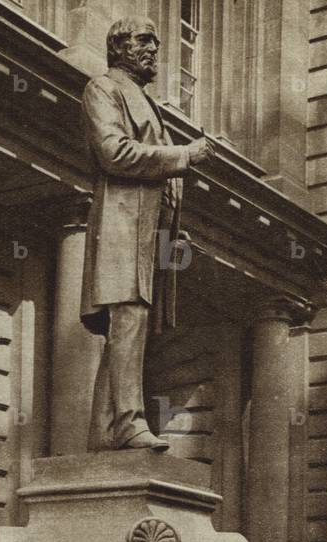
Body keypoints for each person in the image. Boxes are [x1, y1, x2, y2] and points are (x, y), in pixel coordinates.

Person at [80, 17, 216, 450]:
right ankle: (128, 422)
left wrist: (172, 227)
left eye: (155, 43)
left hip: (148, 233)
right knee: (128, 320)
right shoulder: (103, 88)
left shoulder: (144, 99)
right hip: (122, 228)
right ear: (117, 47)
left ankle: (104, 433)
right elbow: (114, 152)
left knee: (129, 329)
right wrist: (185, 154)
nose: (153, 49)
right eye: (143, 41)